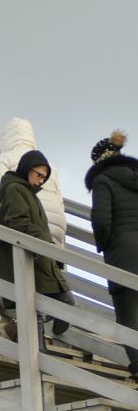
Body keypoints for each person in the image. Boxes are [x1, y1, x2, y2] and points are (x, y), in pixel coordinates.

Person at [0, 150, 73, 340]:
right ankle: (35, 348)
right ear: (27, 169)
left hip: (39, 257)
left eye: (44, 177)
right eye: (39, 175)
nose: (41, 181)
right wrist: (44, 241)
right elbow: (17, 221)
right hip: (28, 257)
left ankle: (16, 330)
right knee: (41, 307)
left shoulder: (29, 193)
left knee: (61, 303)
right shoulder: (15, 189)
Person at [88, 131, 138, 376]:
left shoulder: (102, 180)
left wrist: (106, 243)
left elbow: (101, 220)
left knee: (129, 317)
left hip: (123, 255)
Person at [0, 118, 67, 245]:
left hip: (26, 229)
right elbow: (60, 203)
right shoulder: (49, 166)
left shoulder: (3, 159)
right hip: (54, 230)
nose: (40, 181)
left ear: (2, 141)